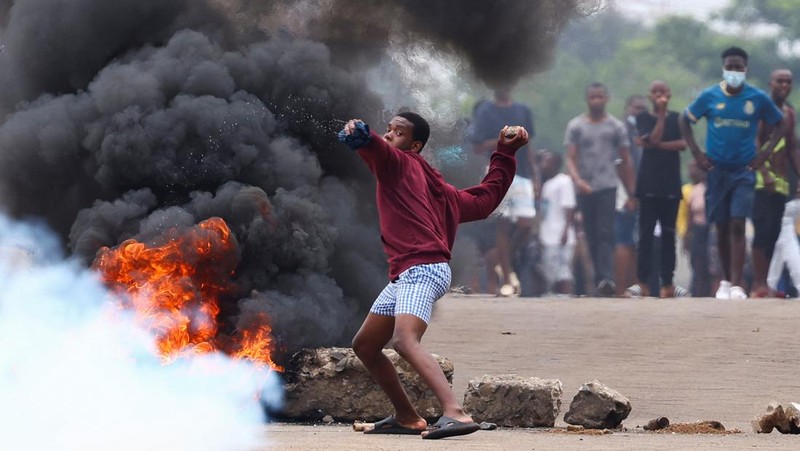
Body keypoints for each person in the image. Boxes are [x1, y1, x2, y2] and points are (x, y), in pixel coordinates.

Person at [340, 112, 529, 439]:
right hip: (407, 273)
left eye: (397, 133)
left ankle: (456, 412)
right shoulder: (441, 190)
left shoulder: (397, 162)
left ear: (414, 146)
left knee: (404, 340)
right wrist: (506, 153)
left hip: (420, 269)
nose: (388, 136)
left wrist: (362, 135)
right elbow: (485, 199)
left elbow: (377, 150)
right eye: (387, 130)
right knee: (366, 344)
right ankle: (407, 416)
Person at [679, 46, 786, 299]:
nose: (734, 71)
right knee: (722, 226)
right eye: (730, 66)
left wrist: (764, 154)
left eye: (739, 67)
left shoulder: (756, 98)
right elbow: (684, 120)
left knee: (739, 222)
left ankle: (738, 284)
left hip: (744, 170)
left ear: (746, 69)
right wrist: (696, 153)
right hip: (716, 170)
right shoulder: (710, 96)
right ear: (724, 68)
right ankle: (726, 281)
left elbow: (780, 123)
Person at [565, 82, 636, 296]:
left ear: (606, 99)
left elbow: (626, 160)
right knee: (591, 233)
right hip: (585, 187)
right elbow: (571, 157)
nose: (596, 101)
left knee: (606, 232)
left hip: (608, 185)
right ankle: (598, 278)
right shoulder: (576, 126)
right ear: (587, 99)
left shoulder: (615, 126)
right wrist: (578, 180)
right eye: (592, 97)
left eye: (600, 97)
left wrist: (631, 192)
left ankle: (607, 278)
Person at [467, 86, 537, 296]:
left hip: (522, 172)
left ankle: (503, 261)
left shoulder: (523, 110)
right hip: (497, 169)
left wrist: (536, 176)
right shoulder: (485, 111)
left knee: (526, 224)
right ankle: (507, 278)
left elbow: (530, 145)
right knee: (503, 224)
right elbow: (477, 147)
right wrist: (503, 140)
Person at [623, 81, 688, 298]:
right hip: (648, 184)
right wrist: (660, 118)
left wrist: (653, 144)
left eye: (663, 92)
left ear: (669, 94)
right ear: (650, 96)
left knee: (669, 236)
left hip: (670, 184)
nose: (660, 96)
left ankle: (668, 283)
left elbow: (682, 144)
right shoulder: (642, 118)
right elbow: (652, 137)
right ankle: (642, 282)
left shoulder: (678, 118)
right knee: (645, 235)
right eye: (656, 92)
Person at [751, 69, 799, 297]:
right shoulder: (760, 110)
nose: (784, 85)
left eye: (788, 81)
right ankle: (758, 284)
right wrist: (764, 172)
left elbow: (792, 147)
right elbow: (753, 141)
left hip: (781, 181)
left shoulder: (789, 113)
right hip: (761, 179)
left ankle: (767, 286)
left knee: (774, 232)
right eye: (780, 80)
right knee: (761, 229)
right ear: (770, 82)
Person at [614, 95, 648, 296]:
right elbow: (621, 165)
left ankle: (635, 287)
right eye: (636, 108)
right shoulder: (622, 131)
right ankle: (621, 289)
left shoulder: (643, 132)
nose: (640, 112)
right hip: (625, 194)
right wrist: (631, 194)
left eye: (644, 108)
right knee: (624, 240)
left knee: (637, 242)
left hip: (641, 193)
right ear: (627, 108)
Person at [539, 150, 577, 295]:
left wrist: (566, 231)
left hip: (561, 235)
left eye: (546, 161)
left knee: (564, 269)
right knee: (550, 269)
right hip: (548, 235)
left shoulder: (564, 182)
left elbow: (569, 207)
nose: (543, 165)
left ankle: (565, 296)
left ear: (555, 164)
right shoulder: (547, 183)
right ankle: (552, 295)